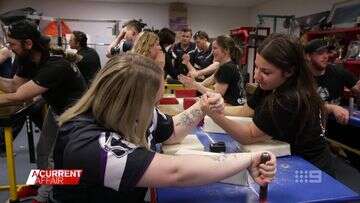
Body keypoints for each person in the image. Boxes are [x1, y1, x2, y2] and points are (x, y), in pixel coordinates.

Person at [52, 53, 276, 203]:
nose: (155, 108)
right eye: (152, 102)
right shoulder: (88, 143)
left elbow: (171, 132)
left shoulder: (134, 114)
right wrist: (249, 159)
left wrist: (203, 105)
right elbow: (175, 172)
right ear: (129, 102)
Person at [206, 33, 335, 176]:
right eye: (256, 67)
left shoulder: (289, 99)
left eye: (266, 72)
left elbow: (248, 135)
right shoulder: (269, 85)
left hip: (311, 168)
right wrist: (221, 107)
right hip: (290, 156)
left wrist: (215, 115)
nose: (256, 76)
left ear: (289, 71)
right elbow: (246, 110)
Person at [1, 20, 86, 202]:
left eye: (13, 44)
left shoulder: (55, 65)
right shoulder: (28, 60)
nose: (10, 48)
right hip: (58, 110)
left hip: (76, 117)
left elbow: (18, 96)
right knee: (43, 151)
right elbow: (13, 87)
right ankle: (43, 187)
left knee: (55, 157)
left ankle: (44, 197)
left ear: (28, 44)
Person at [305, 38, 360, 125]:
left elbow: (357, 87)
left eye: (326, 52)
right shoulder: (301, 78)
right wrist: (332, 108)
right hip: (310, 126)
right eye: (320, 53)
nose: (326, 56)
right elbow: (304, 107)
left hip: (337, 124)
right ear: (308, 56)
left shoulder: (338, 72)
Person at [179, 35, 246, 106]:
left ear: (226, 50)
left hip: (233, 107)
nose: (212, 52)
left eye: (215, 48)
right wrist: (192, 83)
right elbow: (210, 80)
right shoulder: (226, 65)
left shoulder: (227, 67)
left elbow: (216, 94)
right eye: (212, 49)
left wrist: (195, 84)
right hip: (235, 104)